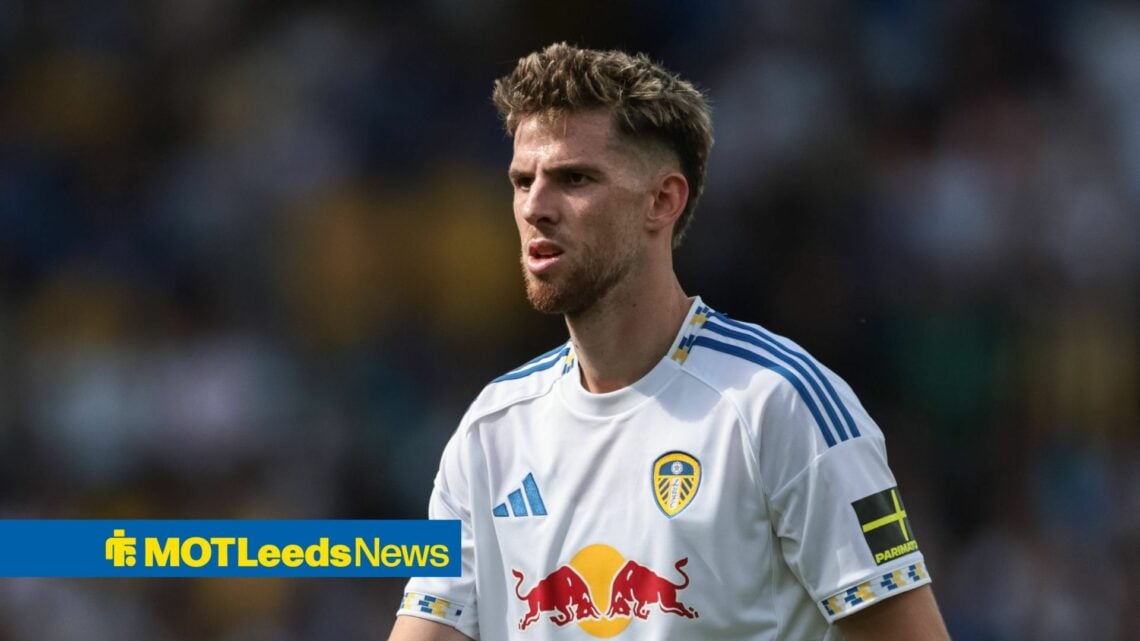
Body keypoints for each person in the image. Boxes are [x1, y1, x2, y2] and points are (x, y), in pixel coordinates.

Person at [389, 42, 950, 641]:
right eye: (522, 181)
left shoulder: (779, 404)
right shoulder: (489, 431)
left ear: (663, 200)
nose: (535, 207)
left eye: (573, 178)